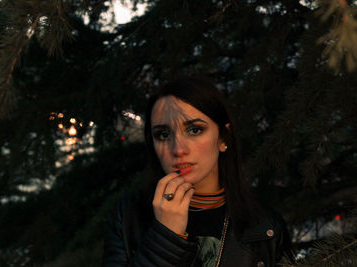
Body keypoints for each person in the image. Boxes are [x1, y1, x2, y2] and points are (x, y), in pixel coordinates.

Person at [102, 77, 292, 267]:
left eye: (194, 130)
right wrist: (165, 237)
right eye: (163, 134)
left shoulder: (266, 227)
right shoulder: (128, 215)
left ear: (223, 138)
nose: (178, 149)